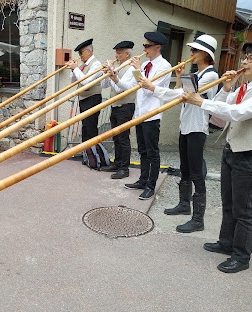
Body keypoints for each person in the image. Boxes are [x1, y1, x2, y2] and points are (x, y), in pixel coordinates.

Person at [182, 41, 252, 273]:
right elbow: (220, 110)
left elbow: (238, 113)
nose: (244, 62)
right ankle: (226, 243)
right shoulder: (245, 86)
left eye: (251, 58)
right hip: (232, 151)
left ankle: (241, 256)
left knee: (244, 209)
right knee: (229, 203)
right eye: (245, 57)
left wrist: (199, 100)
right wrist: (226, 88)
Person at [138, 34, 219, 232]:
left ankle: (198, 219)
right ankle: (184, 204)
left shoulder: (211, 75)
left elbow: (183, 95)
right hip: (186, 126)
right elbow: (181, 91)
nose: (191, 53)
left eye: (195, 51)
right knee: (185, 168)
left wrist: (153, 87)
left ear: (205, 54)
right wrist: (178, 78)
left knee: (196, 173)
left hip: (197, 128)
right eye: (191, 50)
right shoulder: (196, 74)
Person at [110, 32, 172, 200]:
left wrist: (137, 69)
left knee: (152, 152)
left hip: (152, 114)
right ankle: (143, 180)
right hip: (139, 113)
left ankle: (151, 185)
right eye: (144, 45)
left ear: (157, 47)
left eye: (147, 46)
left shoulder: (164, 66)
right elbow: (130, 86)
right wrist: (114, 78)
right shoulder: (145, 65)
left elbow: (148, 88)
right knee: (142, 150)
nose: (144, 49)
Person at [101, 40, 137, 179]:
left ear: (127, 54)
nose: (116, 55)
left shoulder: (131, 69)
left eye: (119, 53)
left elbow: (121, 89)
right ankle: (117, 163)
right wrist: (106, 73)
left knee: (123, 138)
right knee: (116, 136)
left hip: (126, 106)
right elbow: (104, 85)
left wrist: (112, 75)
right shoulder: (120, 67)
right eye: (116, 53)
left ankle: (124, 168)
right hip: (115, 105)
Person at [65, 38, 103, 142]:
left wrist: (76, 68)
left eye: (81, 53)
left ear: (89, 51)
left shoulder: (96, 64)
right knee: (85, 127)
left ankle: (93, 154)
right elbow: (73, 81)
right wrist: (73, 69)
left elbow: (86, 82)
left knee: (90, 128)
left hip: (92, 98)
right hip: (84, 99)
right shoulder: (82, 66)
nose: (80, 56)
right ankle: (86, 154)